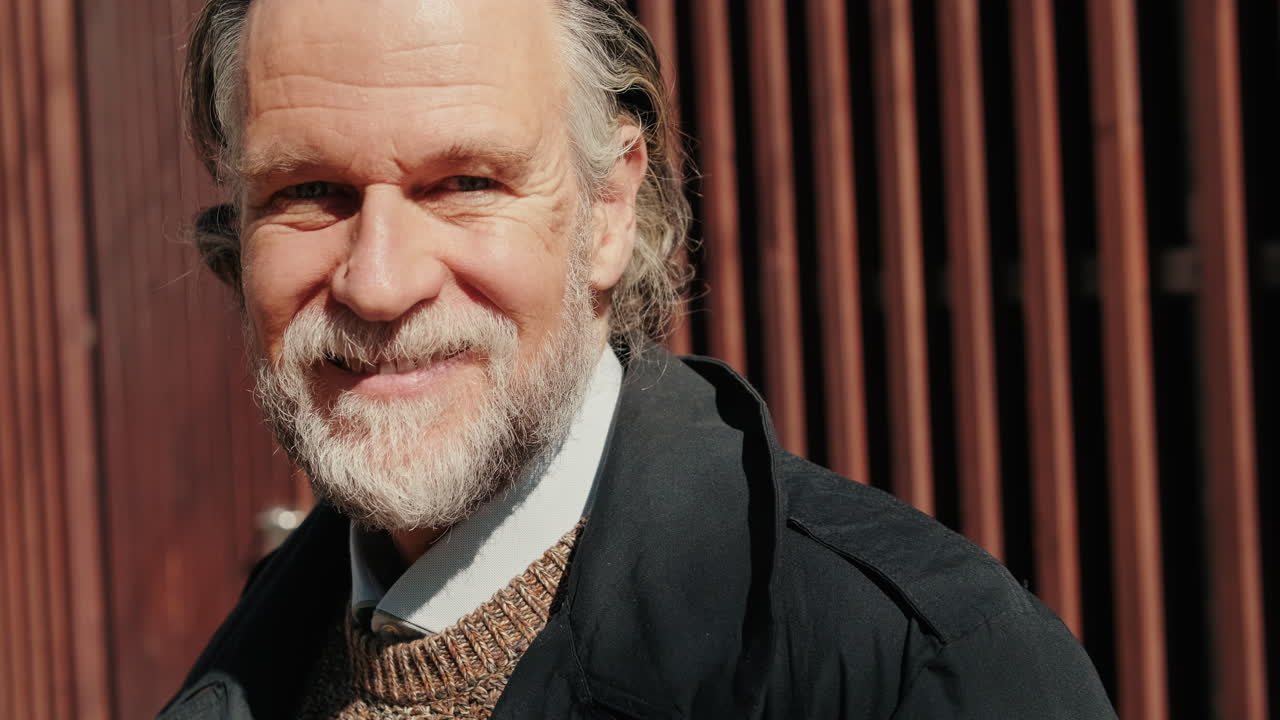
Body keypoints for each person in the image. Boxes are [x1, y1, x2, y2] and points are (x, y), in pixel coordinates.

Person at [159, 0, 1116, 718]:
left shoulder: (919, 673)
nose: (377, 281)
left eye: (463, 183)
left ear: (611, 209)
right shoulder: (261, 658)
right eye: (310, 189)